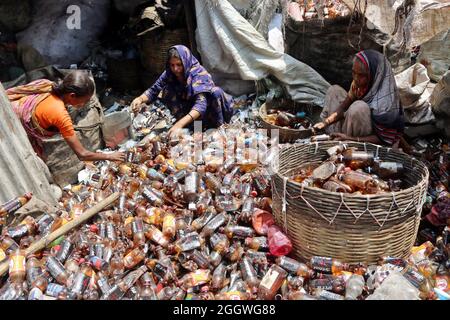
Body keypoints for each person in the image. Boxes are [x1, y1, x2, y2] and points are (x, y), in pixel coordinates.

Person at [7, 70, 125, 162]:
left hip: (10, 110)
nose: (83, 104)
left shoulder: (47, 85)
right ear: (72, 95)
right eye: (84, 100)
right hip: (8, 127)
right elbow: (82, 154)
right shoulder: (60, 114)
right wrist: (109, 156)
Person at [131, 45, 234, 135]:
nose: (175, 69)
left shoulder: (197, 73)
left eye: (179, 65)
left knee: (215, 92)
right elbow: (154, 89)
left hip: (208, 112)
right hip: (190, 114)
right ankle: (192, 128)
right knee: (167, 90)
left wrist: (178, 124)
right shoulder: (169, 73)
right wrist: (139, 99)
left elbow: (201, 105)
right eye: (172, 65)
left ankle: (217, 129)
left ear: (185, 62)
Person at [313, 50, 405, 147]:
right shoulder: (358, 86)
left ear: (375, 74)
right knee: (334, 91)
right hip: (352, 131)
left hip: (372, 143)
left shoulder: (386, 102)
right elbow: (343, 107)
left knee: (358, 108)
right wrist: (325, 123)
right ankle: (331, 138)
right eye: (353, 73)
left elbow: (385, 139)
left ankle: (349, 145)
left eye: (361, 75)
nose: (356, 79)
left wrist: (351, 139)